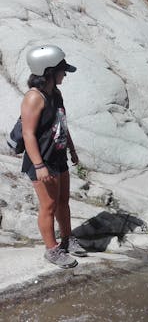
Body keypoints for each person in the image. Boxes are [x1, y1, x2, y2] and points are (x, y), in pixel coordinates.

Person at [21, 45, 87, 268]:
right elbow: (28, 134)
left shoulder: (55, 93)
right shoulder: (33, 97)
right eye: (62, 70)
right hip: (42, 160)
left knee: (62, 202)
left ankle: (68, 240)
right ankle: (52, 250)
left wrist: (72, 149)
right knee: (48, 205)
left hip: (58, 156)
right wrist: (39, 165)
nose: (65, 74)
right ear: (48, 71)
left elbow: (62, 124)